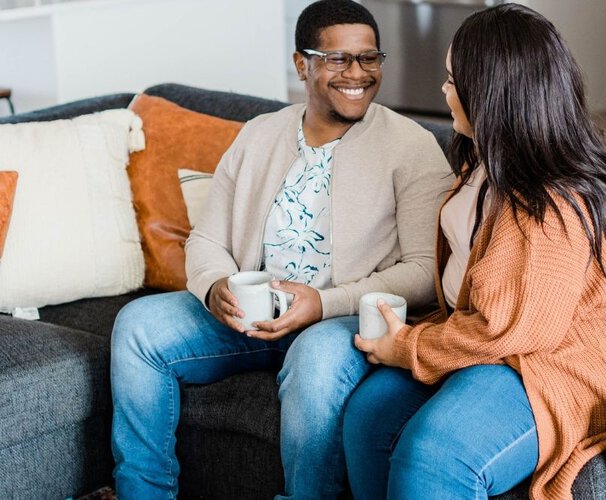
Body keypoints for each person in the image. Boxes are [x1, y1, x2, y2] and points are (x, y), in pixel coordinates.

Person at [109, 1, 451, 498]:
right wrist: (214, 286)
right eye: (338, 60)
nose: (357, 74)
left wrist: (322, 303)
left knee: (313, 357)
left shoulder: (412, 147)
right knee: (138, 326)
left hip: (340, 322)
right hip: (250, 314)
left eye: (369, 58)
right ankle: (143, 491)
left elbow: (425, 272)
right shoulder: (259, 134)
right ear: (302, 64)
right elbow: (207, 239)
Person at [344, 4, 606, 499]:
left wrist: (410, 348)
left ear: (491, 93)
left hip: (582, 354)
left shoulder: (551, 199)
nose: (443, 90)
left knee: (436, 455)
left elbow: (514, 327)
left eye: (452, 79)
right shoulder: (484, 164)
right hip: (514, 343)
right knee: (367, 417)